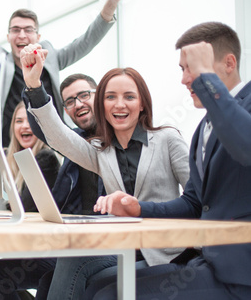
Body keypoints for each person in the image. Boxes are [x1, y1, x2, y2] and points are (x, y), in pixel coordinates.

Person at [83, 22, 251, 300]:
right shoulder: (205, 128)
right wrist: (139, 208)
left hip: (241, 274)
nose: (186, 80)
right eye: (183, 70)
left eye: (192, 68)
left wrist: (206, 81)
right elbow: (194, 203)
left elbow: (245, 146)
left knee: (108, 296)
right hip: (209, 264)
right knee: (98, 290)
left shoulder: (239, 110)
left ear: (229, 64)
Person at [21, 44, 190, 299]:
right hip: (123, 246)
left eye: (129, 97)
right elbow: (56, 135)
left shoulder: (168, 139)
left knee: (90, 281)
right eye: (110, 97)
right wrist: (34, 85)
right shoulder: (100, 150)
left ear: (143, 103)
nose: (119, 104)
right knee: (68, 263)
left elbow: (197, 201)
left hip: (165, 250)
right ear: (102, 105)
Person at [0, 75, 104, 300]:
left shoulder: (109, 144)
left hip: (98, 245)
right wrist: (32, 86)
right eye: (69, 101)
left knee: (53, 276)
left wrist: (33, 85)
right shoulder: (75, 142)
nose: (78, 104)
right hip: (67, 242)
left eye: (84, 95)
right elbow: (45, 129)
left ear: (100, 96)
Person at [0, 0, 123, 146]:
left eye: (28, 30)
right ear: (8, 37)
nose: (21, 35)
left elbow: (85, 42)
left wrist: (110, 5)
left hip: (51, 146)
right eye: (15, 30)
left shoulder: (50, 58)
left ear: (38, 37)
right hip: (10, 148)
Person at [6, 101, 60, 212]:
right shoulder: (11, 159)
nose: (25, 126)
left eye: (31, 121)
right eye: (19, 121)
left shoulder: (46, 158)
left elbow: (25, 206)